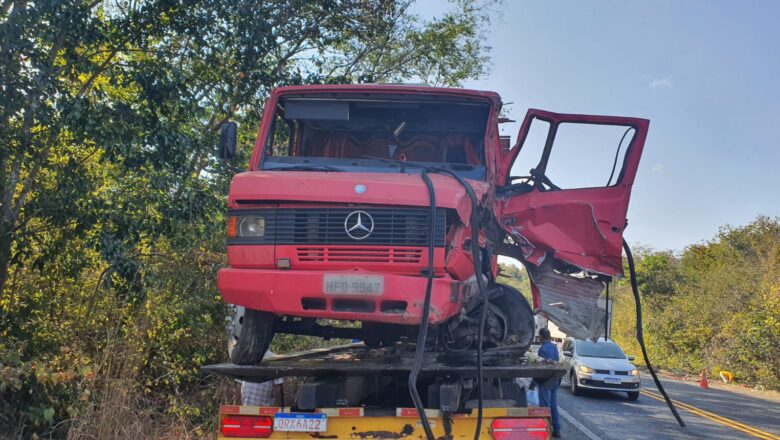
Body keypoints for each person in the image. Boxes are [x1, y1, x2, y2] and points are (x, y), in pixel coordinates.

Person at [537, 328, 561, 438]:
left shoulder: (542, 349)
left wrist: (533, 382)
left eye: (539, 336)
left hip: (545, 381)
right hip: (555, 379)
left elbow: (540, 368)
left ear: (542, 337)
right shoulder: (555, 348)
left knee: (544, 406)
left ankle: (546, 430)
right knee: (553, 405)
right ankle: (557, 429)